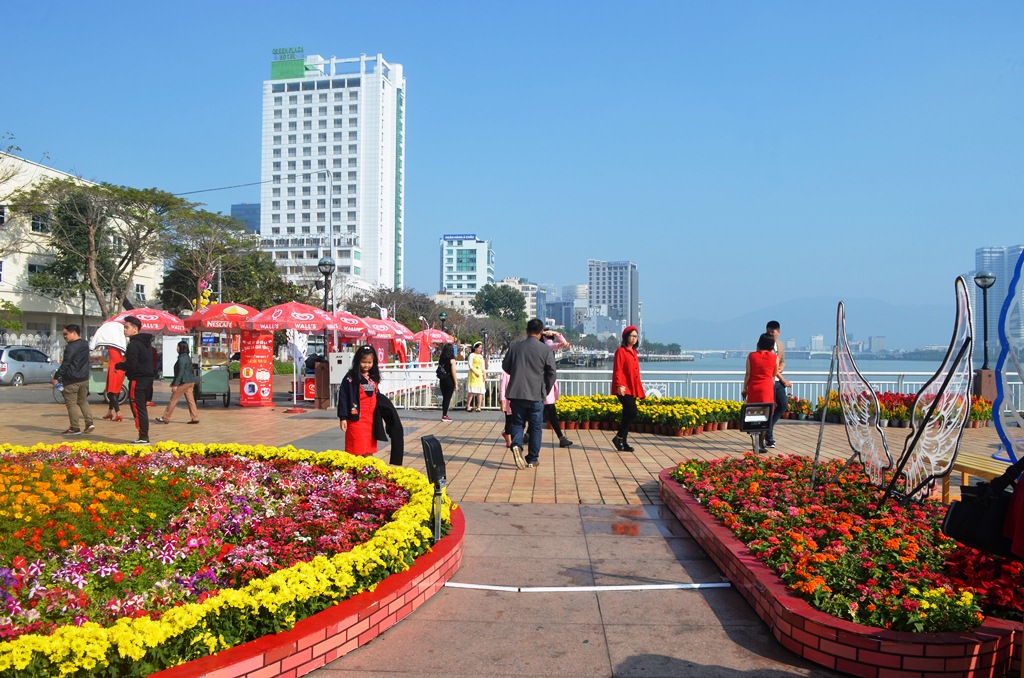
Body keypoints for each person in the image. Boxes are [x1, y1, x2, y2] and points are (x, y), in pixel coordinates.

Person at [502, 318, 557, 470]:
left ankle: (517, 445)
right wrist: (545, 388)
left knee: (517, 423)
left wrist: (518, 373)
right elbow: (552, 373)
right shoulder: (546, 350)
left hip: (516, 392)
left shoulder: (514, 347)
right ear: (541, 333)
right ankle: (532, 458)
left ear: (527, 331)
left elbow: (505, 367)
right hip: (536, 394)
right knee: (535, 428)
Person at [115, 316, 156, 445]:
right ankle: (143, 435)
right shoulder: (146, 343)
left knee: (138, 408)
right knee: (142, 408)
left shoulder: (134, 344)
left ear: (135, 328)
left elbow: (131, 364)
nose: (124, 330)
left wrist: (119, 365)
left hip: (138, 380)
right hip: (147, 380)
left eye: (126, 327)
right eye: (124, 327)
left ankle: (143, 437)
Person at [337, 346, 382, 456]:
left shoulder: (373, 377)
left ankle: (367, 471)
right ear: (358, 361)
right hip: (356, 420)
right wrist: (343, 418)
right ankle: (355, 472)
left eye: (369, 362)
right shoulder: (350, 378)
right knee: (356, 449)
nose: (366, 365)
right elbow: (343, 397)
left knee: (369, 450)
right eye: (363, 362)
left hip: (371, 420)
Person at [53, 324, 95, 435]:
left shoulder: (71, 347)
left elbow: (66, 364)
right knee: (83, 401)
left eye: (66, 334)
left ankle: (75, 427)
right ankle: (89, 422)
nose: (64, 337)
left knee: (71, 404)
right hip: (84, 378)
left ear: (74, 333)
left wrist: (56, 377)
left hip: (72, 380)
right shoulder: (85, 344)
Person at [742, 333, 781, 453]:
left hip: (754, 387)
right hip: (767, 387)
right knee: (766, 415)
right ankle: (760, 444)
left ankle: (754, 440)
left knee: (753, 413)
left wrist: (745, 389)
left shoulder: (751, 356)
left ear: (759, 343)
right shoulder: (775, 358)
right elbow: (773, 374)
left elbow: (748, 374)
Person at [611, 325, 645, 452]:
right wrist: (619, 385)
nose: (634, 339)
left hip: (632, 386)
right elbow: (618, 369)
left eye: (636, 336)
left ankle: (623, 442)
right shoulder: (621, 351)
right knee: (632, 411)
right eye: (632, 336)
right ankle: (619, 437)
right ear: (626, 337)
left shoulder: (634, 352)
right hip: (623, 387)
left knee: (627, 413)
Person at [540, 329, 573, 448]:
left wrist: (555, 333)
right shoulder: (546, 344)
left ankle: (526, 434)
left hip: (545, 382)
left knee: (540, 410)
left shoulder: (544, 343)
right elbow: (559, 345)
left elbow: (563, 344)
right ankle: (561, 437)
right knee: (550, 411)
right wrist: (557, 337)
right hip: (545, 383)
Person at [155, 340, 199, 425]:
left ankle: (165, 417)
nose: (177, 348)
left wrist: (175, 384)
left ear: (181, 348)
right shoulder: (187, 357)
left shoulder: (182, 358)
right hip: (190, 381)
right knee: (191, 400)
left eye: (178, 347)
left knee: (173, 400)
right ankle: (195, 417)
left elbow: (180, 372)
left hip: (184, 382)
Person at [765, 320, 793, 449]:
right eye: (768, 331)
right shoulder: (764, 344)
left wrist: (781, 367)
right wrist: (783, 380)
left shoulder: (781, 345)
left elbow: (782, 361)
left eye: (773, 332)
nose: (770, 334)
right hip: (769, 381)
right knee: (769, 409)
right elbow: (769, 367)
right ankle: (769, 437)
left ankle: (768, 428)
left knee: (783, 406)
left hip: (777, 381)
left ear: (778, 332)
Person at [101, 347, 125, 422]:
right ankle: (110, 412)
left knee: (112, 393)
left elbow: (106, 358)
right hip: (120, 370)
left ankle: (118, 413)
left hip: (114, 370)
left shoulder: (112, 348)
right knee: (114, 392)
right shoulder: (121, 347)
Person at [437, 342, 457, 422]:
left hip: (442, 379)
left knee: (444, 397)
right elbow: (453, 372)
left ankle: (444, 414)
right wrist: (456, 383)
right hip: (449, 380)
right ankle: (444, 415)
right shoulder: (452, 360)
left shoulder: (440, 359)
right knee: (447, 398)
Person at [465, 342, 485, 411]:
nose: (480, 349)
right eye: (479, 348)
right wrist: (475, 372)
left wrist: (484, 374)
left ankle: (479, 406)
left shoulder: (481, 356)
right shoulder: (472, 355)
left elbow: (483, 366)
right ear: (475, 348)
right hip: (473, 373)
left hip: (479, 373)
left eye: (481, 348)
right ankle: (468, 405)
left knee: (480, 391)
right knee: (472, 391)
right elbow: (470, 365)